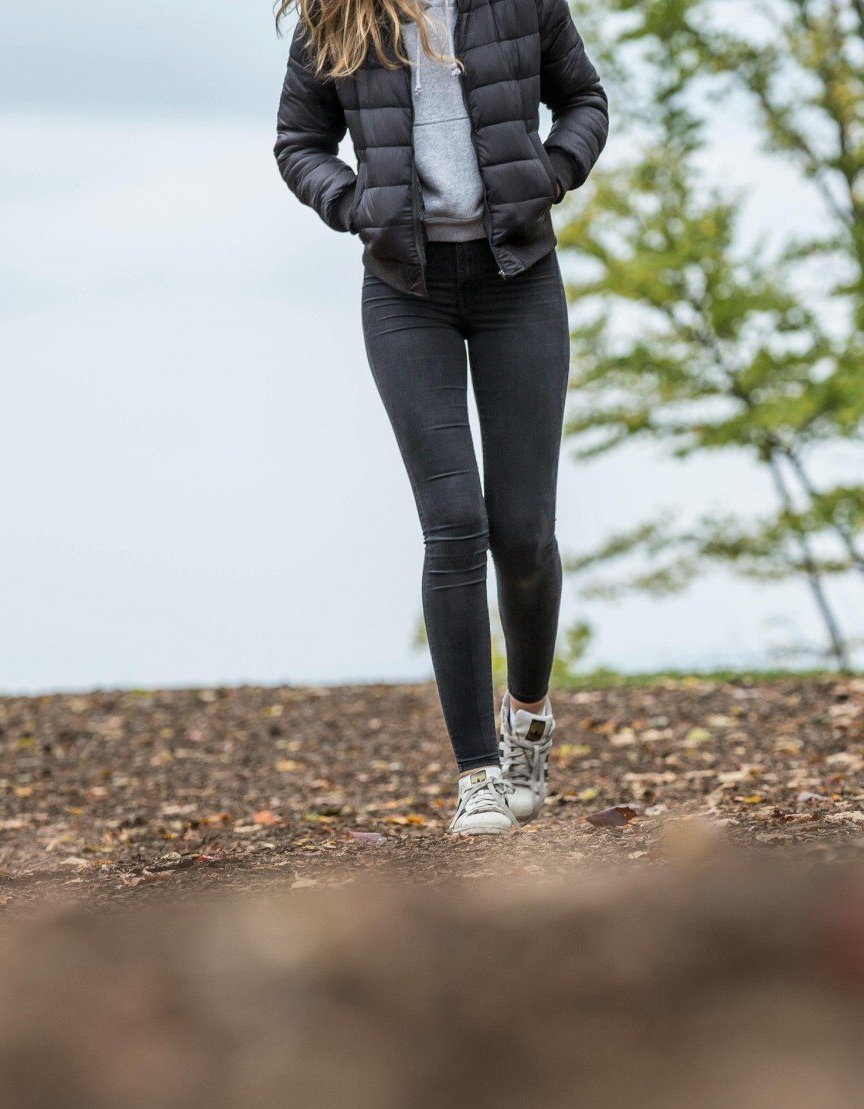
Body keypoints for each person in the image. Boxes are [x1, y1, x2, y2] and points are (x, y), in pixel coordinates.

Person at [274, 0, 607, 836]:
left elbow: (585, 100)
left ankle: (526, 721)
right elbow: (298, 142)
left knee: (523, 533)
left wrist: (553, 174)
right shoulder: (339, 13)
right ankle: (479, 777)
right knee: (453, 522)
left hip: (519, 278)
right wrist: (355, 207)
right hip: (404, 291)